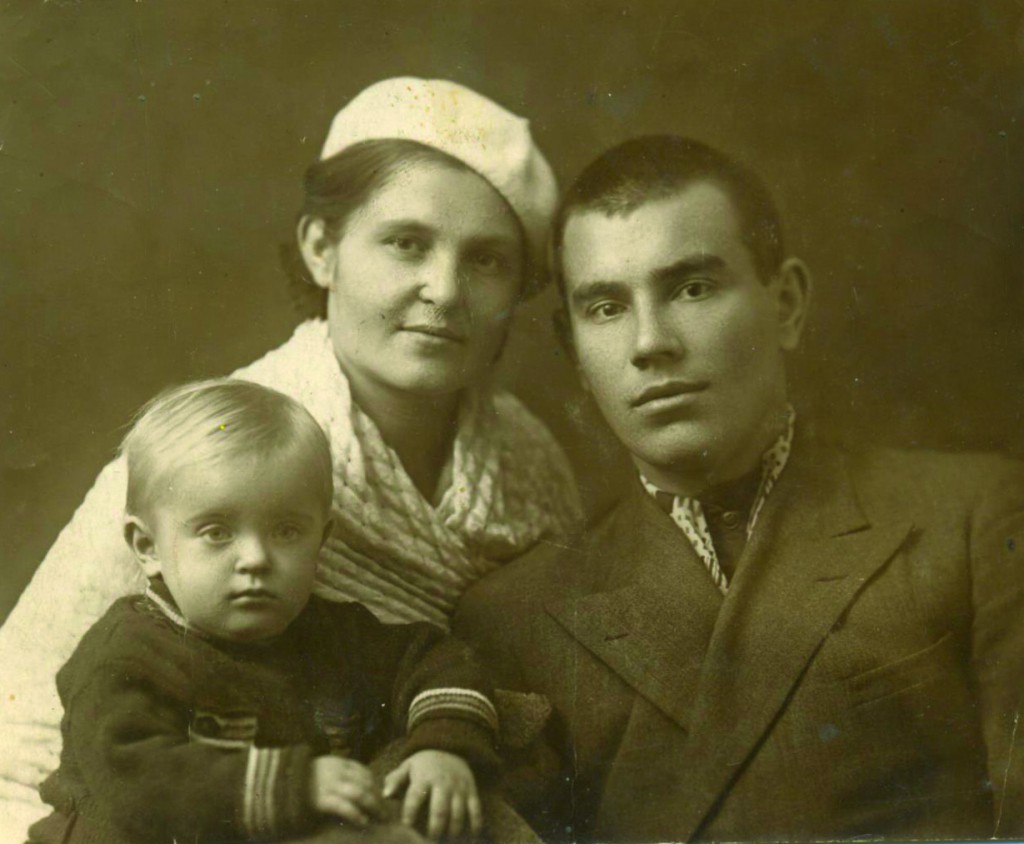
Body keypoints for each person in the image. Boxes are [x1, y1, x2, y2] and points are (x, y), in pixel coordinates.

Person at [0, 77, 580, 838]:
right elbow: (20, 722)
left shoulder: (530, 464)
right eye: (406, 243)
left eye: (487, 261)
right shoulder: (220, 449)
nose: (443, 289)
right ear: (322, 248)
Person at [454, 135, 1024, 841]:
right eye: (606, 307)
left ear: (785, 304)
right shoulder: (515, 618)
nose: (650, 343)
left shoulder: (969, 518)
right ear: (573, 349)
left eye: (692, 289)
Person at [29, 379, 500, 844]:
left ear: (323, 539)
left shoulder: (334, 635)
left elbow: (435, 659)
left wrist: (443, 748)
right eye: (216, 532)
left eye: (287, 531)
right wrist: (299, 785)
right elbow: (132, 781)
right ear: (147, 547)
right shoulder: (130, 653)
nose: (255, 558)